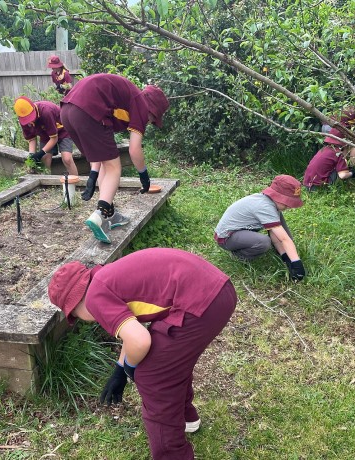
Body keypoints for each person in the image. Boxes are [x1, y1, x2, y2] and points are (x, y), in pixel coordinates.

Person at [47, 247, 238, 460]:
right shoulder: (107, 277)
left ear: (75, 305)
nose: (80, 318)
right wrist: (120, 369)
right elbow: (133, 333)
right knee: (169, 362)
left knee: (154, 376)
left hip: (201, 304)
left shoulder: (94, 297)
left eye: (75, 315)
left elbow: (140, 340)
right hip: (218, 290)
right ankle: (186, 418)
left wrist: (132, 367)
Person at [60, 73, 169, 243]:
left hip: (67, 111)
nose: (149, 123)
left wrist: (92, 175)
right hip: (87, 111)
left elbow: (100, 155)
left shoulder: (125, 101)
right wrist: (144, 176)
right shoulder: (141, 104)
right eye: (153, 119)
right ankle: (100, 214)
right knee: (114, 167)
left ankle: (109, 214)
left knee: (107, 163)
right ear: (152, 110)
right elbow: (134, 149)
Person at [214, 174, 306, 281]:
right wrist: (297, 264)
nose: (289, 206)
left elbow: (277, 238)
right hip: (227, 237)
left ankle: (286, 254)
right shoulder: (264, 207)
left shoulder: (272, 205)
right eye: (287, 203)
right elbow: (283, 239)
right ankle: (238, 256)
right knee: (263, 242)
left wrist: (286, 259)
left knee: (283, 232)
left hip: (241, 231)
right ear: (277, 197)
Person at [13, 96, 79, 176]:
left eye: (31, 117)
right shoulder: (24, 121)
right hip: (45, 134)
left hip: (63, 130)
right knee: (45, 160)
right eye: (27, 119)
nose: (30, 121)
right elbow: (32, 139)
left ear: (34, 109)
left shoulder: (46, 111)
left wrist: (41, 152)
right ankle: (47, 184)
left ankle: (75, 184)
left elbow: (54, 138)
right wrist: (32, 157)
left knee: (67, 159)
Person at [303, 127, 355, 191]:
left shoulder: (324, 149)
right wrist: (352, 173)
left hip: (307, 185)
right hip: (319, 187)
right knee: (343, 172)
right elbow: (342, 175)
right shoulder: (337, 153)